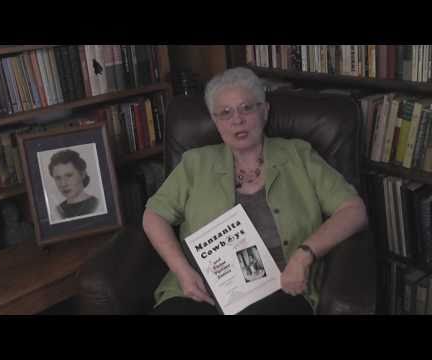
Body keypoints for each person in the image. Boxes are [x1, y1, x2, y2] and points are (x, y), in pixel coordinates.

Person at [143, 67, 368, 315]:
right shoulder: (195, 163)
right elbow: (154, 215)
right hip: (200, 287)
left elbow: (353, 210)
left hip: (279, 286)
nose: (237, 120)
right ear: (215, 121)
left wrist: (304, 255)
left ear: (264, 111)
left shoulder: (299, 155)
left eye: (247, 108)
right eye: (225, 112)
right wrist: (182, 271)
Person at [48, 149, 98, 219]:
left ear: (82, 174)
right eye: (58, 178)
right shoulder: (57, 211)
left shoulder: (97, 204)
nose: (63, 184)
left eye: (69, 175)